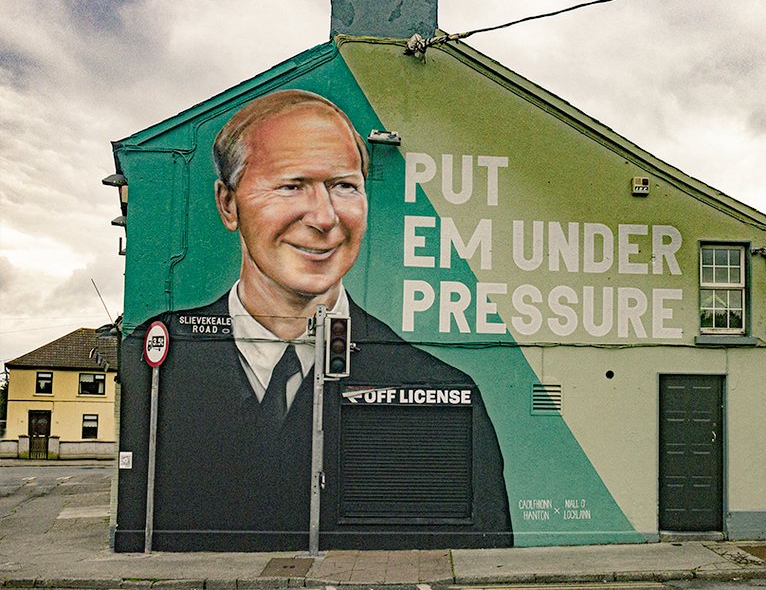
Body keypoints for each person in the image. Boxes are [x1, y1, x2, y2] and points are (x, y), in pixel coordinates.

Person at [116, 90, 511, 552]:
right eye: (291, 185)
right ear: (227, 204)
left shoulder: (439, 386)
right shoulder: (160, 355)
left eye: (344, 186)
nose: (324, 218)